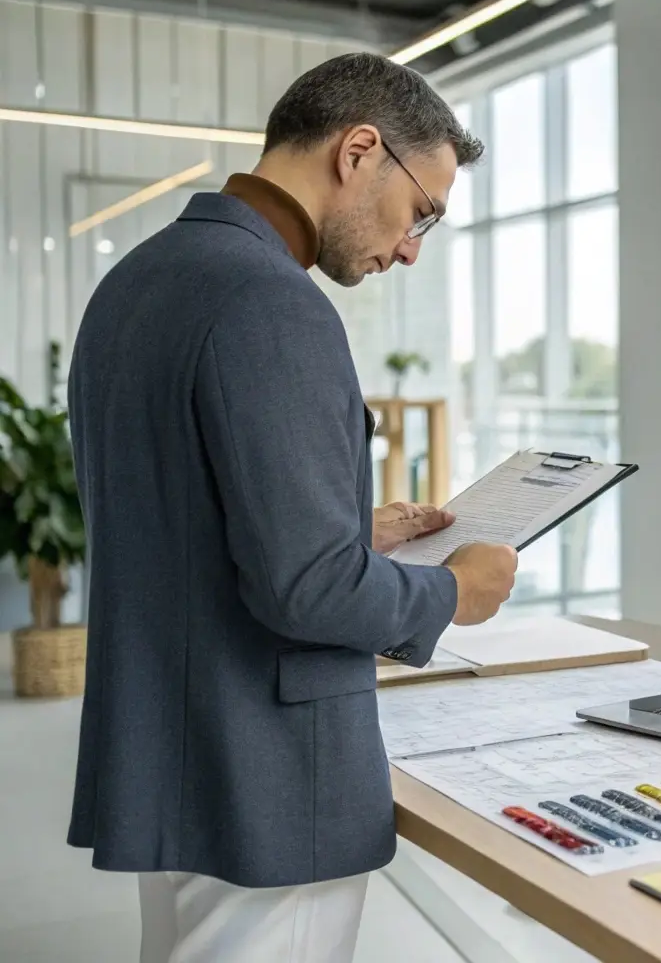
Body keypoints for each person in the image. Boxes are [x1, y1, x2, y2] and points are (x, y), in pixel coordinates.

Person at [66, 52, 520, 963]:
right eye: (421, 211)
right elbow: (308, 593)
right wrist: (455, 593)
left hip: (180, 750)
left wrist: (356, 528)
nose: (410, 247)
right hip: (267, 771)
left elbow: (176, 512)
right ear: (360, 150)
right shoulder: (273, 303)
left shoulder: (143, 280)